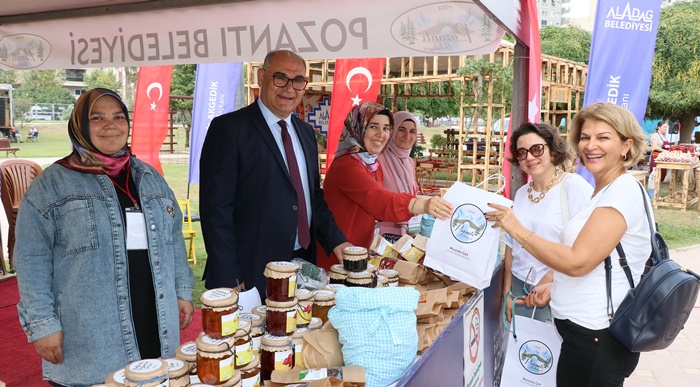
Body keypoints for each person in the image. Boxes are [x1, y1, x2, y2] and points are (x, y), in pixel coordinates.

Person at [14, 88, 194, 386]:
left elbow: (172, 238)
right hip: (90, 330)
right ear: (80, 126)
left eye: (118, 117)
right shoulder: (52, 185)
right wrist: (42, 324)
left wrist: (182, 289)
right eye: (97, 118)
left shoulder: (149, 177)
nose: (110, 125)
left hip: (153, 313)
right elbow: (32, 258)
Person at [487, 102, 650, 386]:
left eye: (603, 137)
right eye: (585, 137)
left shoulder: (620, 192)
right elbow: (593, 259)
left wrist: (515, 228)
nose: (591, 145)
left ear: (627, 145)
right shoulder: (606, 190)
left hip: (598, 334)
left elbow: (578, 261)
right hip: (582, 332)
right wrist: (554, 284)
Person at [200, 50, 350, 294]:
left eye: (298, 80)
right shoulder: (229, 129)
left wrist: (336, 240)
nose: (289, 88)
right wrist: (229, 274)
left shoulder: (305, 133)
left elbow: (312, 196)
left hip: (301, 262)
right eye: (280, 78)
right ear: (261, 77)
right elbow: (215, 210)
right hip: (250, 269)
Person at [321, 102, 453, 269]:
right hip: (338, 258)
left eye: (386, 128)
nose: (381, 134)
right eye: (373, 127)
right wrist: (422, 204)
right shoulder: (347, 165)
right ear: (357, 127)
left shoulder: (371, 164)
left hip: (359, 254)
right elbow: (380, 200)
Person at [501, 122, 592, 324]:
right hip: (519, 290)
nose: (530, 157)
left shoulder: (573, 187)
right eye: (521, 152)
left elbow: (590, 245)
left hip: (557, 289)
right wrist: (507, 293)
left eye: (536, 149)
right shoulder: (523, 193)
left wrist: (551, 278)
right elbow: (510, 245)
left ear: (552, 151)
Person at [377, 111, 420, 235]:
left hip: (407, 232)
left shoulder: (409, 162)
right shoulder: (377, 160)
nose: (407, 136)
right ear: (392, 131)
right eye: (401, 130)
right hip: (383, 234)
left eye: (412, 131)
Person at [648, 120, 670, 197]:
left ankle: (657, 194)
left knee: (661, 176)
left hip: (662, 158)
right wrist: (664, 151)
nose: (665, 129)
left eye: (666, 127)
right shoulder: (655, 136)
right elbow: (655, 147)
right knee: (654, 176)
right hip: (655, 157)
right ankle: (651, 195)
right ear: (659, 127)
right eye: (664, 127)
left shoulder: (664, 137)